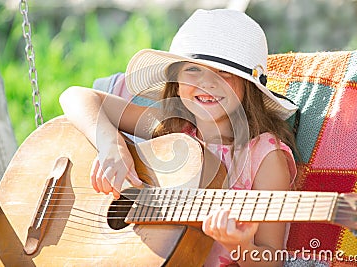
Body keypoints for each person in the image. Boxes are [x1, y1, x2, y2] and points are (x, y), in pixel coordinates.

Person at [60, 9, 298, 266]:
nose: (207, 82)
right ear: (176, 79)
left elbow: (272, 260)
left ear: (248, 86)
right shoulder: (172, 128)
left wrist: (238, 243)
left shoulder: (265, 157)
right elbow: (75, 96)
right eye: (193, 69)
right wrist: (110, 145)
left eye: (224, 72)